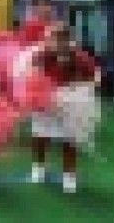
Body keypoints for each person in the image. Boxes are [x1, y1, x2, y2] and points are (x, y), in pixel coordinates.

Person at [29, 22, 99, 194]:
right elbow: (32, 70)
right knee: (40, 134)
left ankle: (69, 174)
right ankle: (38, 166)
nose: (56, 43)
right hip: (46, 97)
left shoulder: (79, 56)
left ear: (68, 40)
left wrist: (83, 86)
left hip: (70, 100)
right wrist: (37, 84)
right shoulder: (42, 55)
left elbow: (95, 75)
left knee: (70, 137)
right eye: (52, 39)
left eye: (60, 39)